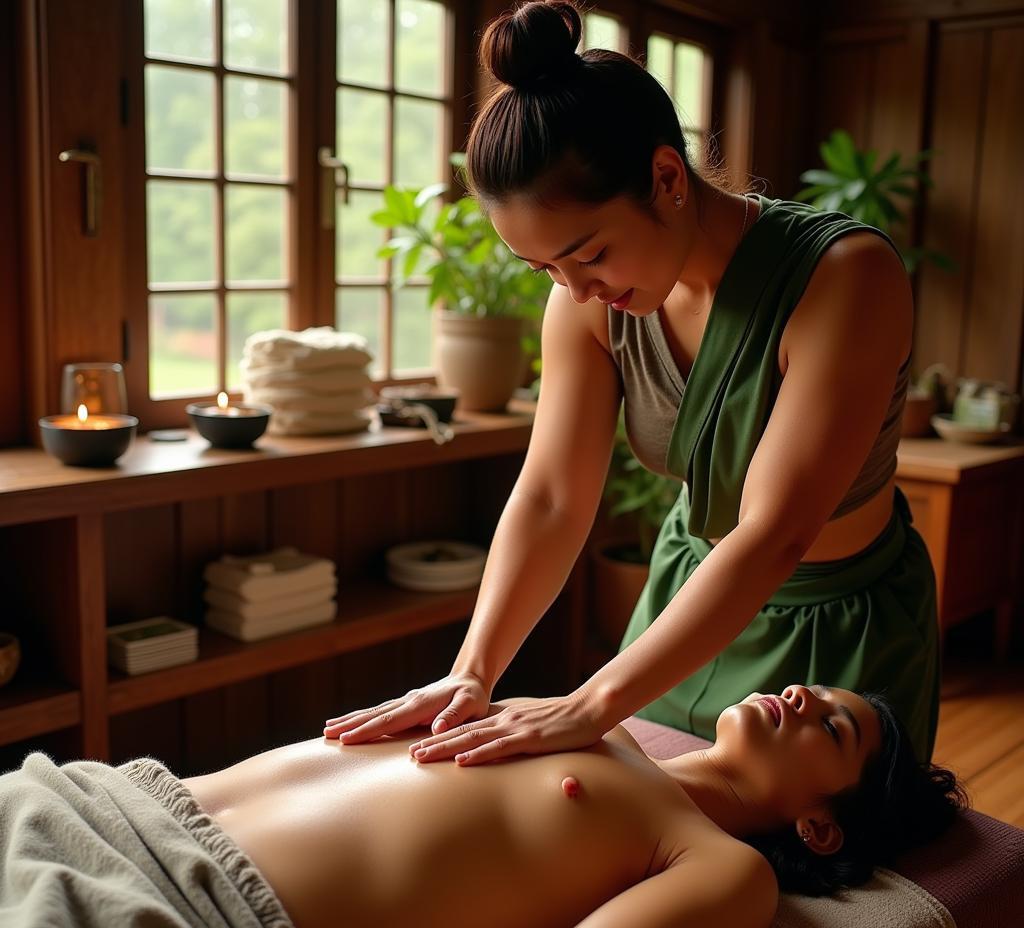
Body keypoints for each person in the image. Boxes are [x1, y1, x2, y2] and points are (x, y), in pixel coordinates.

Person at [325, 0, 941, 767]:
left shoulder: (844, 276)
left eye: (588, 254)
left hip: (834, 638)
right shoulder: (587, 308)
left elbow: (774, 532)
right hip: (685, 601)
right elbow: (552, 496)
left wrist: (591, 701)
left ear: (665, 176)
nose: (574, 289)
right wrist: (471, 674)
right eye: (545, 268)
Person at [0, 686, 965, 928]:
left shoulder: (721, 867)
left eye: (831, 727)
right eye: (813, 689)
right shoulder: (602, 718)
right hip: (90, 800)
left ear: (822, 828)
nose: (798, 696)